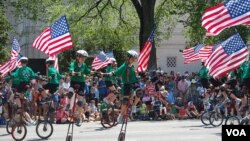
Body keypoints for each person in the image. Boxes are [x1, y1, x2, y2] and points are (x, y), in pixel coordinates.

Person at [102, 50, 140, 123]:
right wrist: (106, 74)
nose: (134, 59)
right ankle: (121, 116)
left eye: (135, 58)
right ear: (129, 58)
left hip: (134, 83)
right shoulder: (124, 65)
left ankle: (134, 106)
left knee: (139, 92)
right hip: (126, 84)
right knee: (125, 101)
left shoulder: (131, 66)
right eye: (133, 58)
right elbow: (116, 73)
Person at [68, 50, 95, 126]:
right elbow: (71, 68)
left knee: (80, 102)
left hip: (81, 83)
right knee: (70, 93)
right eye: (82, 58)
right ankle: (68, 105)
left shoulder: (84, 65)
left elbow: (86, 71)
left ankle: (78, 118)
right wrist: (72, 72)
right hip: (74, 81)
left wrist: (91, 72)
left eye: (84, 58)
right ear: (78, 57)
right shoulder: (73, 63)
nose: (83, 60)